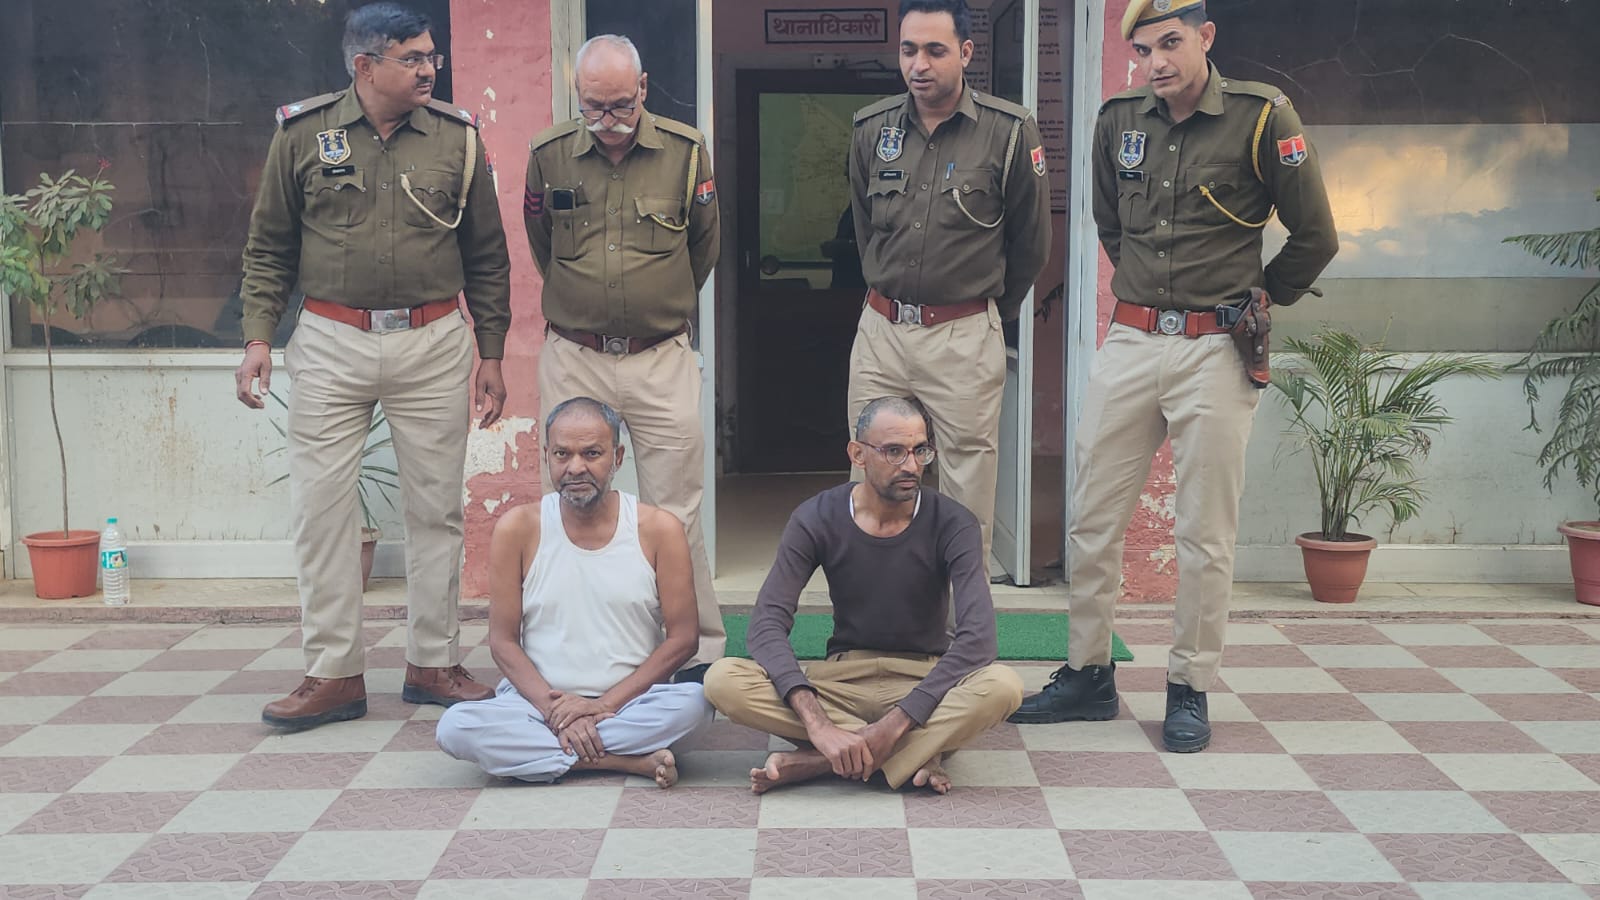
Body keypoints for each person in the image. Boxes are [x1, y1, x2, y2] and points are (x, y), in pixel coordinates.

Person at [1010, 0, 1338, 752]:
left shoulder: (1262, 117)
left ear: (1205, 37)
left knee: (1203, 531)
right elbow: (1109, 224)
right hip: (1131, 341)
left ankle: (1189, 686)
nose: (1156, 62)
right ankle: (1088, 674)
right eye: (1143, 49)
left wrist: (1264, 297)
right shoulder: (1118, 120)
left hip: (1215, 348)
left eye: (1170, 43)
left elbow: (1316, 234)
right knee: (1092, 517)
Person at [235, 2, 511, 729]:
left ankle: (434, 662)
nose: (429, 69)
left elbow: (487, 255)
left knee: (436, 509)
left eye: (431, 57)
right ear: (365, 66)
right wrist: (259, 337)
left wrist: (491, 351)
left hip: (433, 341)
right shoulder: (303, 134)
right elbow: (268, 247)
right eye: (412, 58)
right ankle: (333, 674)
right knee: (321, 509)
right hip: (332, 338)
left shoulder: (458, 139)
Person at [523, 34, 724, 683]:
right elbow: (541, 244)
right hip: (575, 354)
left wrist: (653, 305)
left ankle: (695, 651)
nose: (607, 119)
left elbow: (704, 247)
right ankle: (566, 647)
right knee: (570, 499)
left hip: (659, 355)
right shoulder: (549, 154)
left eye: (619, 105)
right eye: (593, 106)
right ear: (576, 93)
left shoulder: (686, 152)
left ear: (642, 88)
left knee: (676, 508)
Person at [703, 397, 1023, 794]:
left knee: (1003, 686)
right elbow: (766, 625)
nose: (911, 466)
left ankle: (823, 762)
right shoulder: (816, 516)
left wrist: (898, 721)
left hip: (923, 678)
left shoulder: (954, 522)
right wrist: (817, 721)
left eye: (920, 450)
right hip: (840, 680)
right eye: (894, 451)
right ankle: (915, 753)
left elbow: (979, 640)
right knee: (723, 680)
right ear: (858, 454)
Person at [847, 0, 1052, 566]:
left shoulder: (1009, 132)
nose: (919, 64)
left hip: (963, 333)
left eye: (935, 50)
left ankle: (963, 616)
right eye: (908, 50)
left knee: (966, 490)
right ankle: (874, 605)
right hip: (882, 332)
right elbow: (865, 232)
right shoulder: (871, 129)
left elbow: (1031, 244)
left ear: (965, 52)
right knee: (871, 479)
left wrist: (987, 312)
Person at [435, 398, 712, 786]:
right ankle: (624, 761)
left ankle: (554, 755)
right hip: (538, 703)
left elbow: (683, 639)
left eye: (592, 453)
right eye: (562, 454)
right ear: (546, 456)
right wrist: (555, 711)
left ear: (617, 458)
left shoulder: (658, 529)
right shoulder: (518, 528)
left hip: (629, 702)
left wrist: (602, 705)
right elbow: (502, 642)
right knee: (455, 727)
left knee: (695, 705)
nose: (576, 467)